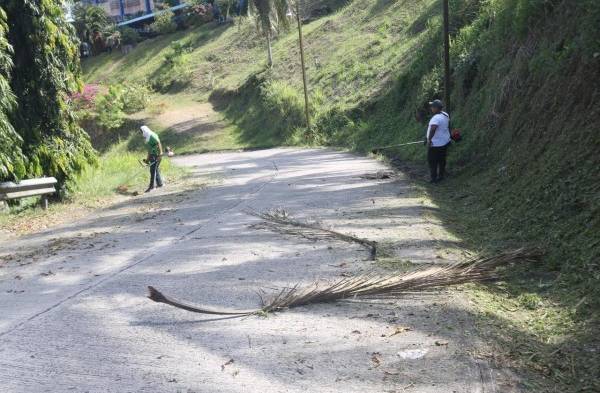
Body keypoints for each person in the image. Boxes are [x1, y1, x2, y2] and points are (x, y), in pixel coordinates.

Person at [425, 99, 451, 183]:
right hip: (445, 142)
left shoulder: (436, 118)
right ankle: (441, 176)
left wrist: (429, 139)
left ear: (436, 108)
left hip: (435, 144)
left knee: (432, 160)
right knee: (442, 159)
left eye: (432, 107)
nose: (431, 108)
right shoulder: (445, 115)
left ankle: (433, 178)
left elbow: (433, 129)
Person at [140, 125, 164, 193]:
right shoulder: (147, 137)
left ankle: (151, 187)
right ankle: (160, 184)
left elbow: (158, 142)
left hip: (156, 155)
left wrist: (161, 152)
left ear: (144, 130)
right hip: (152, 155)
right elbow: (149, 150)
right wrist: (147, 160)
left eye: (141, 131)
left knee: (152, 170)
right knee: (155, 169)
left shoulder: (151, 135)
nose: (141, 133)